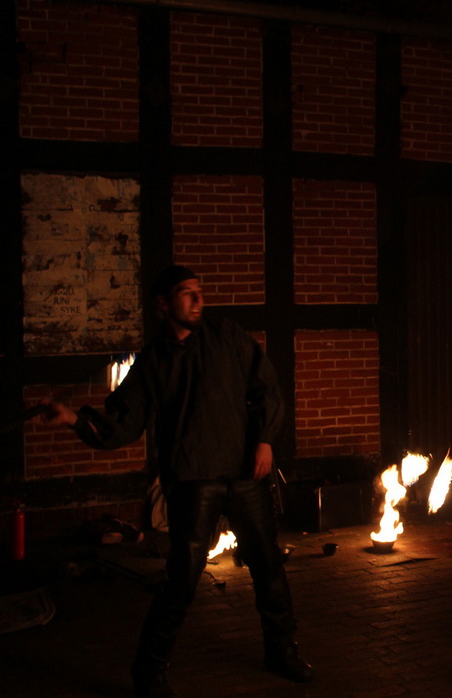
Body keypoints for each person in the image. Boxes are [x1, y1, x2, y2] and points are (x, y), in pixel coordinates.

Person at [43, 265, 312, 698]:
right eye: (186, 293)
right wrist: (74, 418)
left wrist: (264, 439)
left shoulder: (226, 337)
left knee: (268, 567)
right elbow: (123, 422)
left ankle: (281, 651)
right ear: (164, 303)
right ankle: (149, 672)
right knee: (182, 579)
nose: (198, 299)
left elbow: (266, 387)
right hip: (192, 480)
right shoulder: (153, 361)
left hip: (245, 473)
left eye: (199, 291)